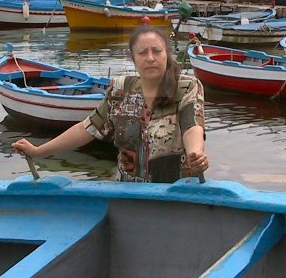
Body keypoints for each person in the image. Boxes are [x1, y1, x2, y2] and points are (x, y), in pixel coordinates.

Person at [12, 25, 208, 182]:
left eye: (157, 51)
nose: (150, 58)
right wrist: (38, 151)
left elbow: (192, 126)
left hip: (175, 192)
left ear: (167, 54)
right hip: (128, 192)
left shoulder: (187, 86)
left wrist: (195, 154)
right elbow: (86, 128)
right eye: (143, 52)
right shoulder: (120, 90)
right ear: (133, 58)